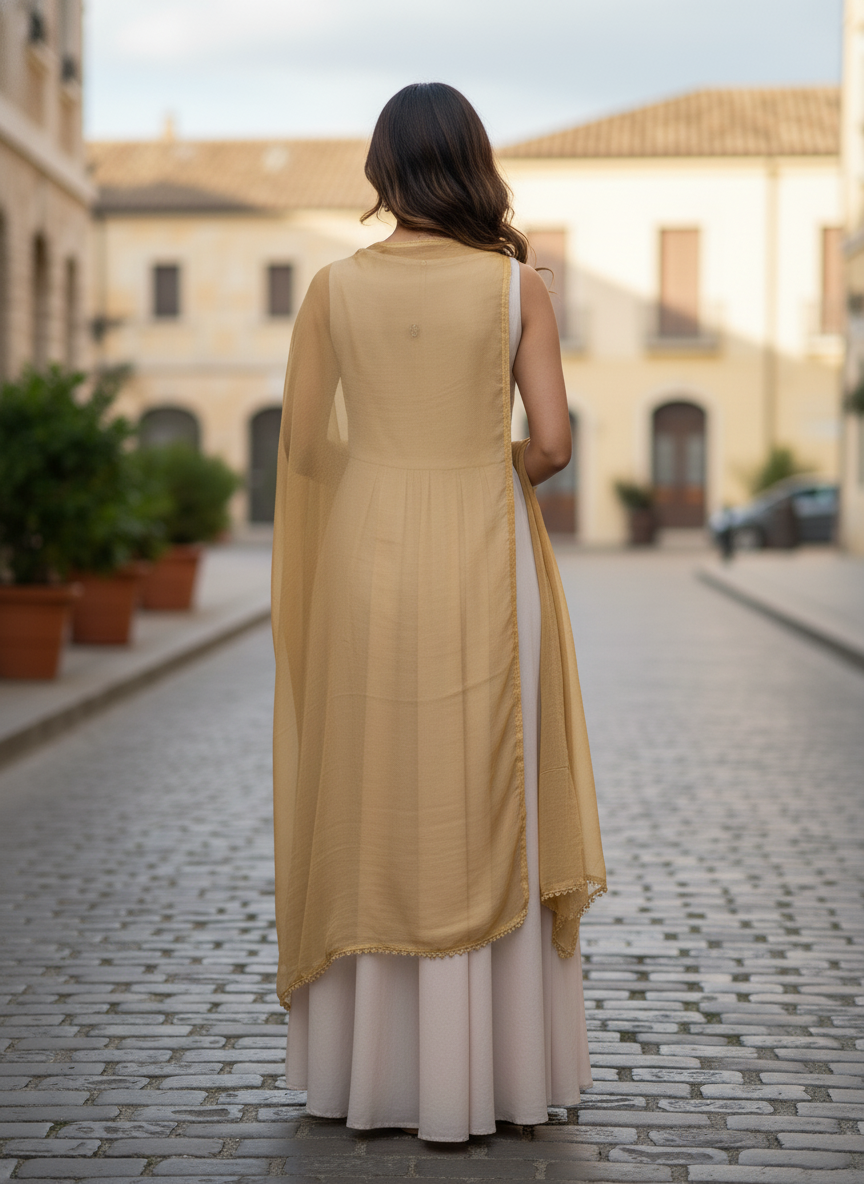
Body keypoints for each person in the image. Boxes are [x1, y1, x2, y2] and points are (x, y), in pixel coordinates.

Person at [271, 82, 606, 1143]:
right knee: (483, 778)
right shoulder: (515, 288)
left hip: (367, 552)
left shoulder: (330, 288)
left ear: (383, 169)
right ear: (472, 162)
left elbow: (303, 450)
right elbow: (551, 444)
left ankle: (363, 1073)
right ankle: (494, 1075)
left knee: (375, 781)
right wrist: (475, 458)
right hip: (482, 548)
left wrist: (386, 464)